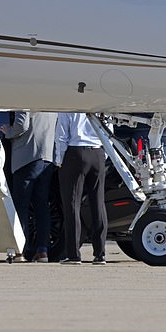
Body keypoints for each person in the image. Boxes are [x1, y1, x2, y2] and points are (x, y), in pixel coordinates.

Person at [0, 112, 57, 262]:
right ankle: (43, 251)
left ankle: (20, 251)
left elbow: (21, 125)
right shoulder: (52, 102)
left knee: (21, 206)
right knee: (42, 206)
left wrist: (8, 131)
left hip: (26, 157)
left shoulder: (24, 94)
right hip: (47, 156)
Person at [54, 112, 108, 265]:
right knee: (98, 203)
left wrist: (59, 159)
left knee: (72, 204)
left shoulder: (70, 105)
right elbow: (108, 131)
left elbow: (61, 134)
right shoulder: (101, 106)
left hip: (75, 151)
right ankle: (100, 254)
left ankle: (73, 254)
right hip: (98, 152)